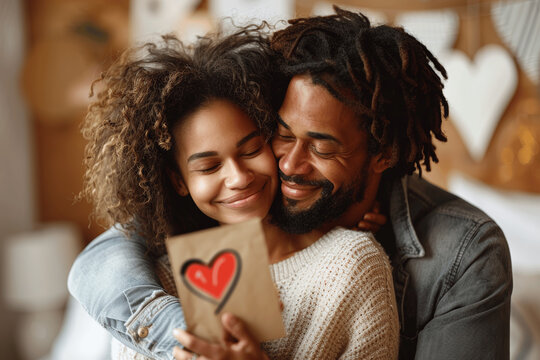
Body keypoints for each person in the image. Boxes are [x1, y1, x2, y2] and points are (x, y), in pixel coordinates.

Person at [69, 7, 512, 360]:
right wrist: (181, 336)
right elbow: (98, 261)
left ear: (384, 156)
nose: (290, 165)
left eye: (322, 148)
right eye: (280, 135)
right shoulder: (217, 216)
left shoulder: (461, 251)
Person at [71, 26, 399, 360]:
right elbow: (91, 267)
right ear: (178, 181)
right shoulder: (157, 282)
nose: (239, 178)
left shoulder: (353, 264)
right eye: (209, 167)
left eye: (251, 150)